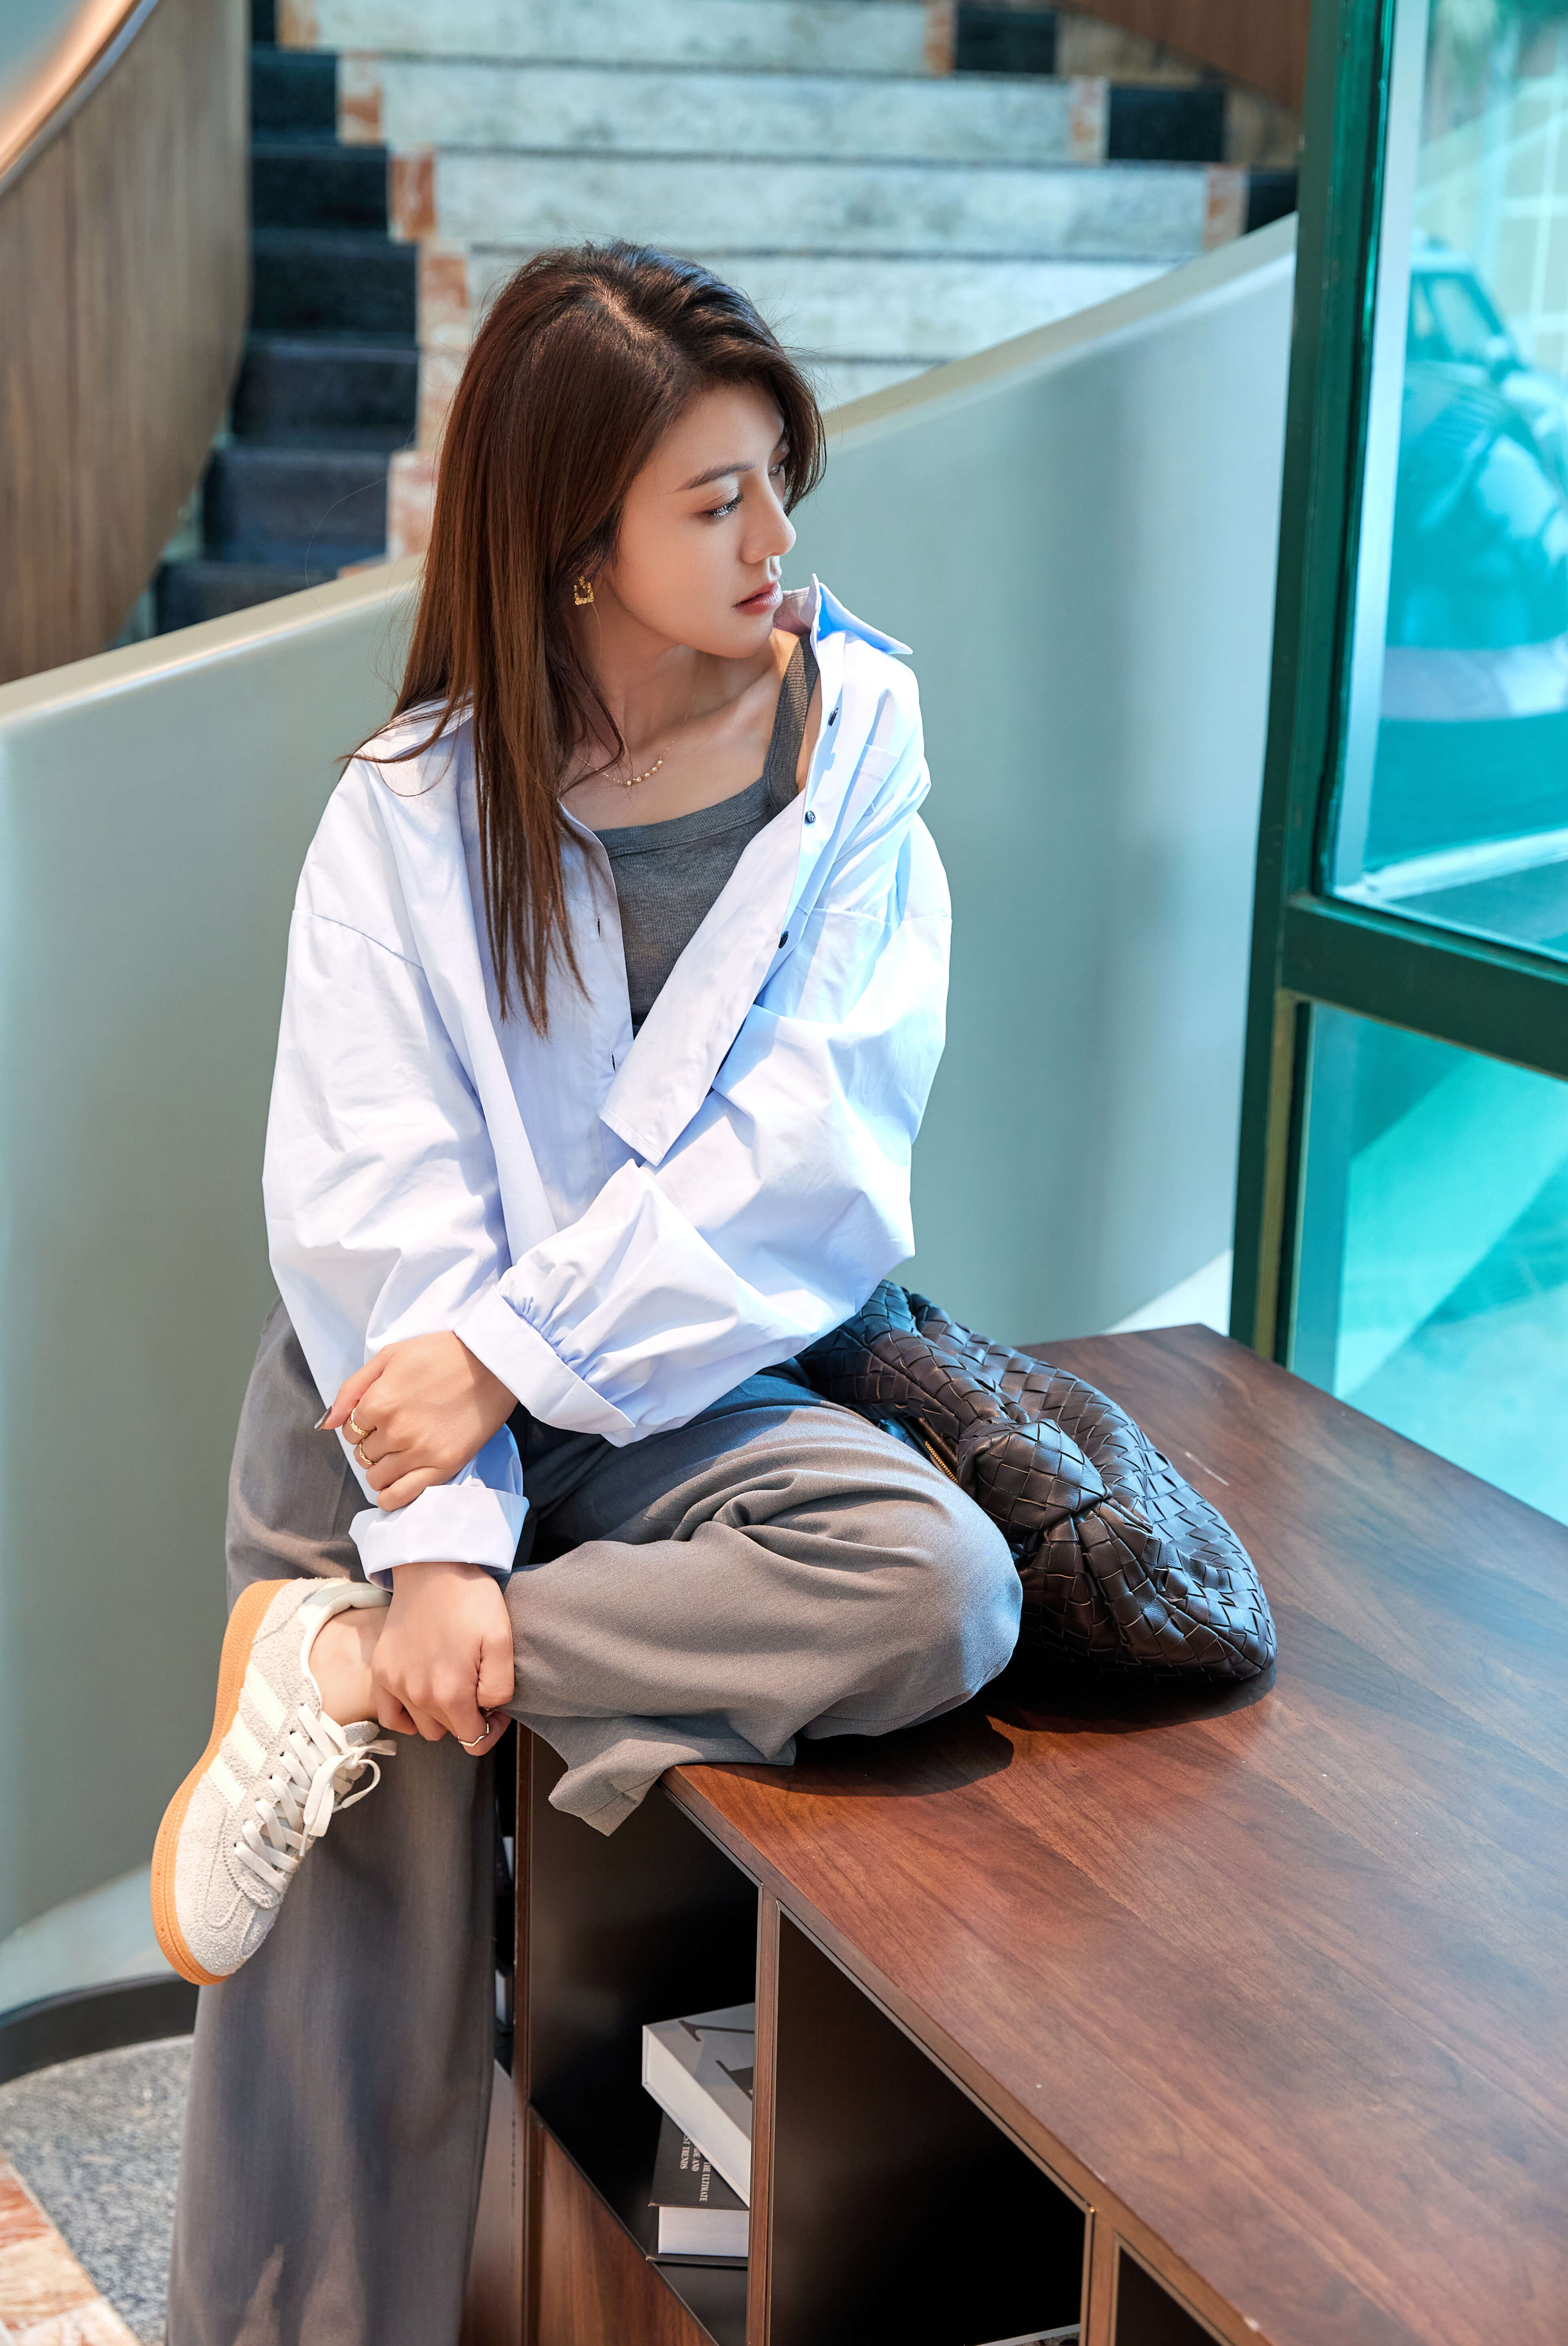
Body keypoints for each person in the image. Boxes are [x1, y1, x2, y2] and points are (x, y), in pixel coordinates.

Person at [156, 242, 1021, 2346]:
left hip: (674, 1385)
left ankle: (338, 1671)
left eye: (778, 477)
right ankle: (378, 1641)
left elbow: (810, 1159)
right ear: (574, 544)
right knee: (343, 2032)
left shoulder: (855, 749)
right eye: (715, 499)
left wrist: (512, 1404)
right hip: (388, 1398)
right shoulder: (406, 809)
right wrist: (447, 1523)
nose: (774, 536)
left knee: (938, 1589)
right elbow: (377, 1199)